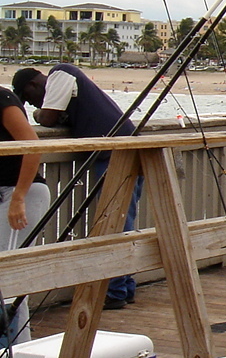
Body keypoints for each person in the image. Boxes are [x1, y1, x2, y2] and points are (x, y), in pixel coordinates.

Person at [13, 65, 140, 309]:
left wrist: (40, 115)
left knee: (114, 222)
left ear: (33, 86)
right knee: (124, 220)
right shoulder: (69, 85)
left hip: (115, 154)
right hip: (121, 151)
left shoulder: (60, 73)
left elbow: (48, 117)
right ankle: (124, 286)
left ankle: (115, 292)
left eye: (30, 99)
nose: (33, 104)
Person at [0, 86, 49, 344]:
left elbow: (31, 145)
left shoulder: (2, 99)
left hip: (21, 193)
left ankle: (16, 351)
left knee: (8, 274)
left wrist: (19, 197)